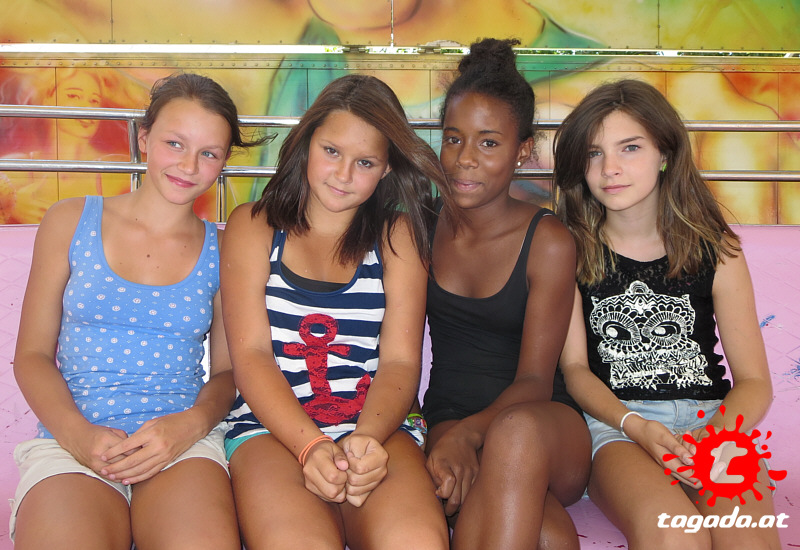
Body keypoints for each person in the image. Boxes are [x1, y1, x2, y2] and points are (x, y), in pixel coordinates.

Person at [10, 72, 262, 549]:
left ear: (224, 162)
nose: (188, 165)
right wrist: (78, 435)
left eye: (209, 153)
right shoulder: (70, 221)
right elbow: (32, 355)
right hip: (72, 437)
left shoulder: (223, 248)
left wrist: (189, 426)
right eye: (174, 143)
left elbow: (230, 372)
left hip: (181, 440)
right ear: (144, 138)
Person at [222, 74, 451, 550]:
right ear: (306, 144)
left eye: (364, 162)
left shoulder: (398, 237)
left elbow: (400, 361)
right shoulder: (254, 226)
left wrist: (367, 439)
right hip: (272, 429)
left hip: (378, 427)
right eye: (331, 151)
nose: (343, 174)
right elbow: (252, 356)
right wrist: (310, 445)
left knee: (417, 541)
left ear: (386, 169)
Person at [554, 79, 781, 549]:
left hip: (715, 422)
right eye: (594, 153)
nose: (610, 168)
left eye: (630, 147)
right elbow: (575, 370)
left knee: (747, 540)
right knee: (675, 534)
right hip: (617, 428)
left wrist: (711, 438)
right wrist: (634, 426)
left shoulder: (717, 250)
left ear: (664, 152)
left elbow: (755, 381)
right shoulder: (570, 250)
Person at [420, 38, 591, 550]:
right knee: (549, 539)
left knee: (514, 435)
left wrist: (471, 434)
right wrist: (451, 435)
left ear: (523, 151)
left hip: (544, 427)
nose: (464, 159)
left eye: (489, 143)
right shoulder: (420, 226)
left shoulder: (549, 241)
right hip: (451, 421)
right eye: (454, 139)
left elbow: (536, 381)